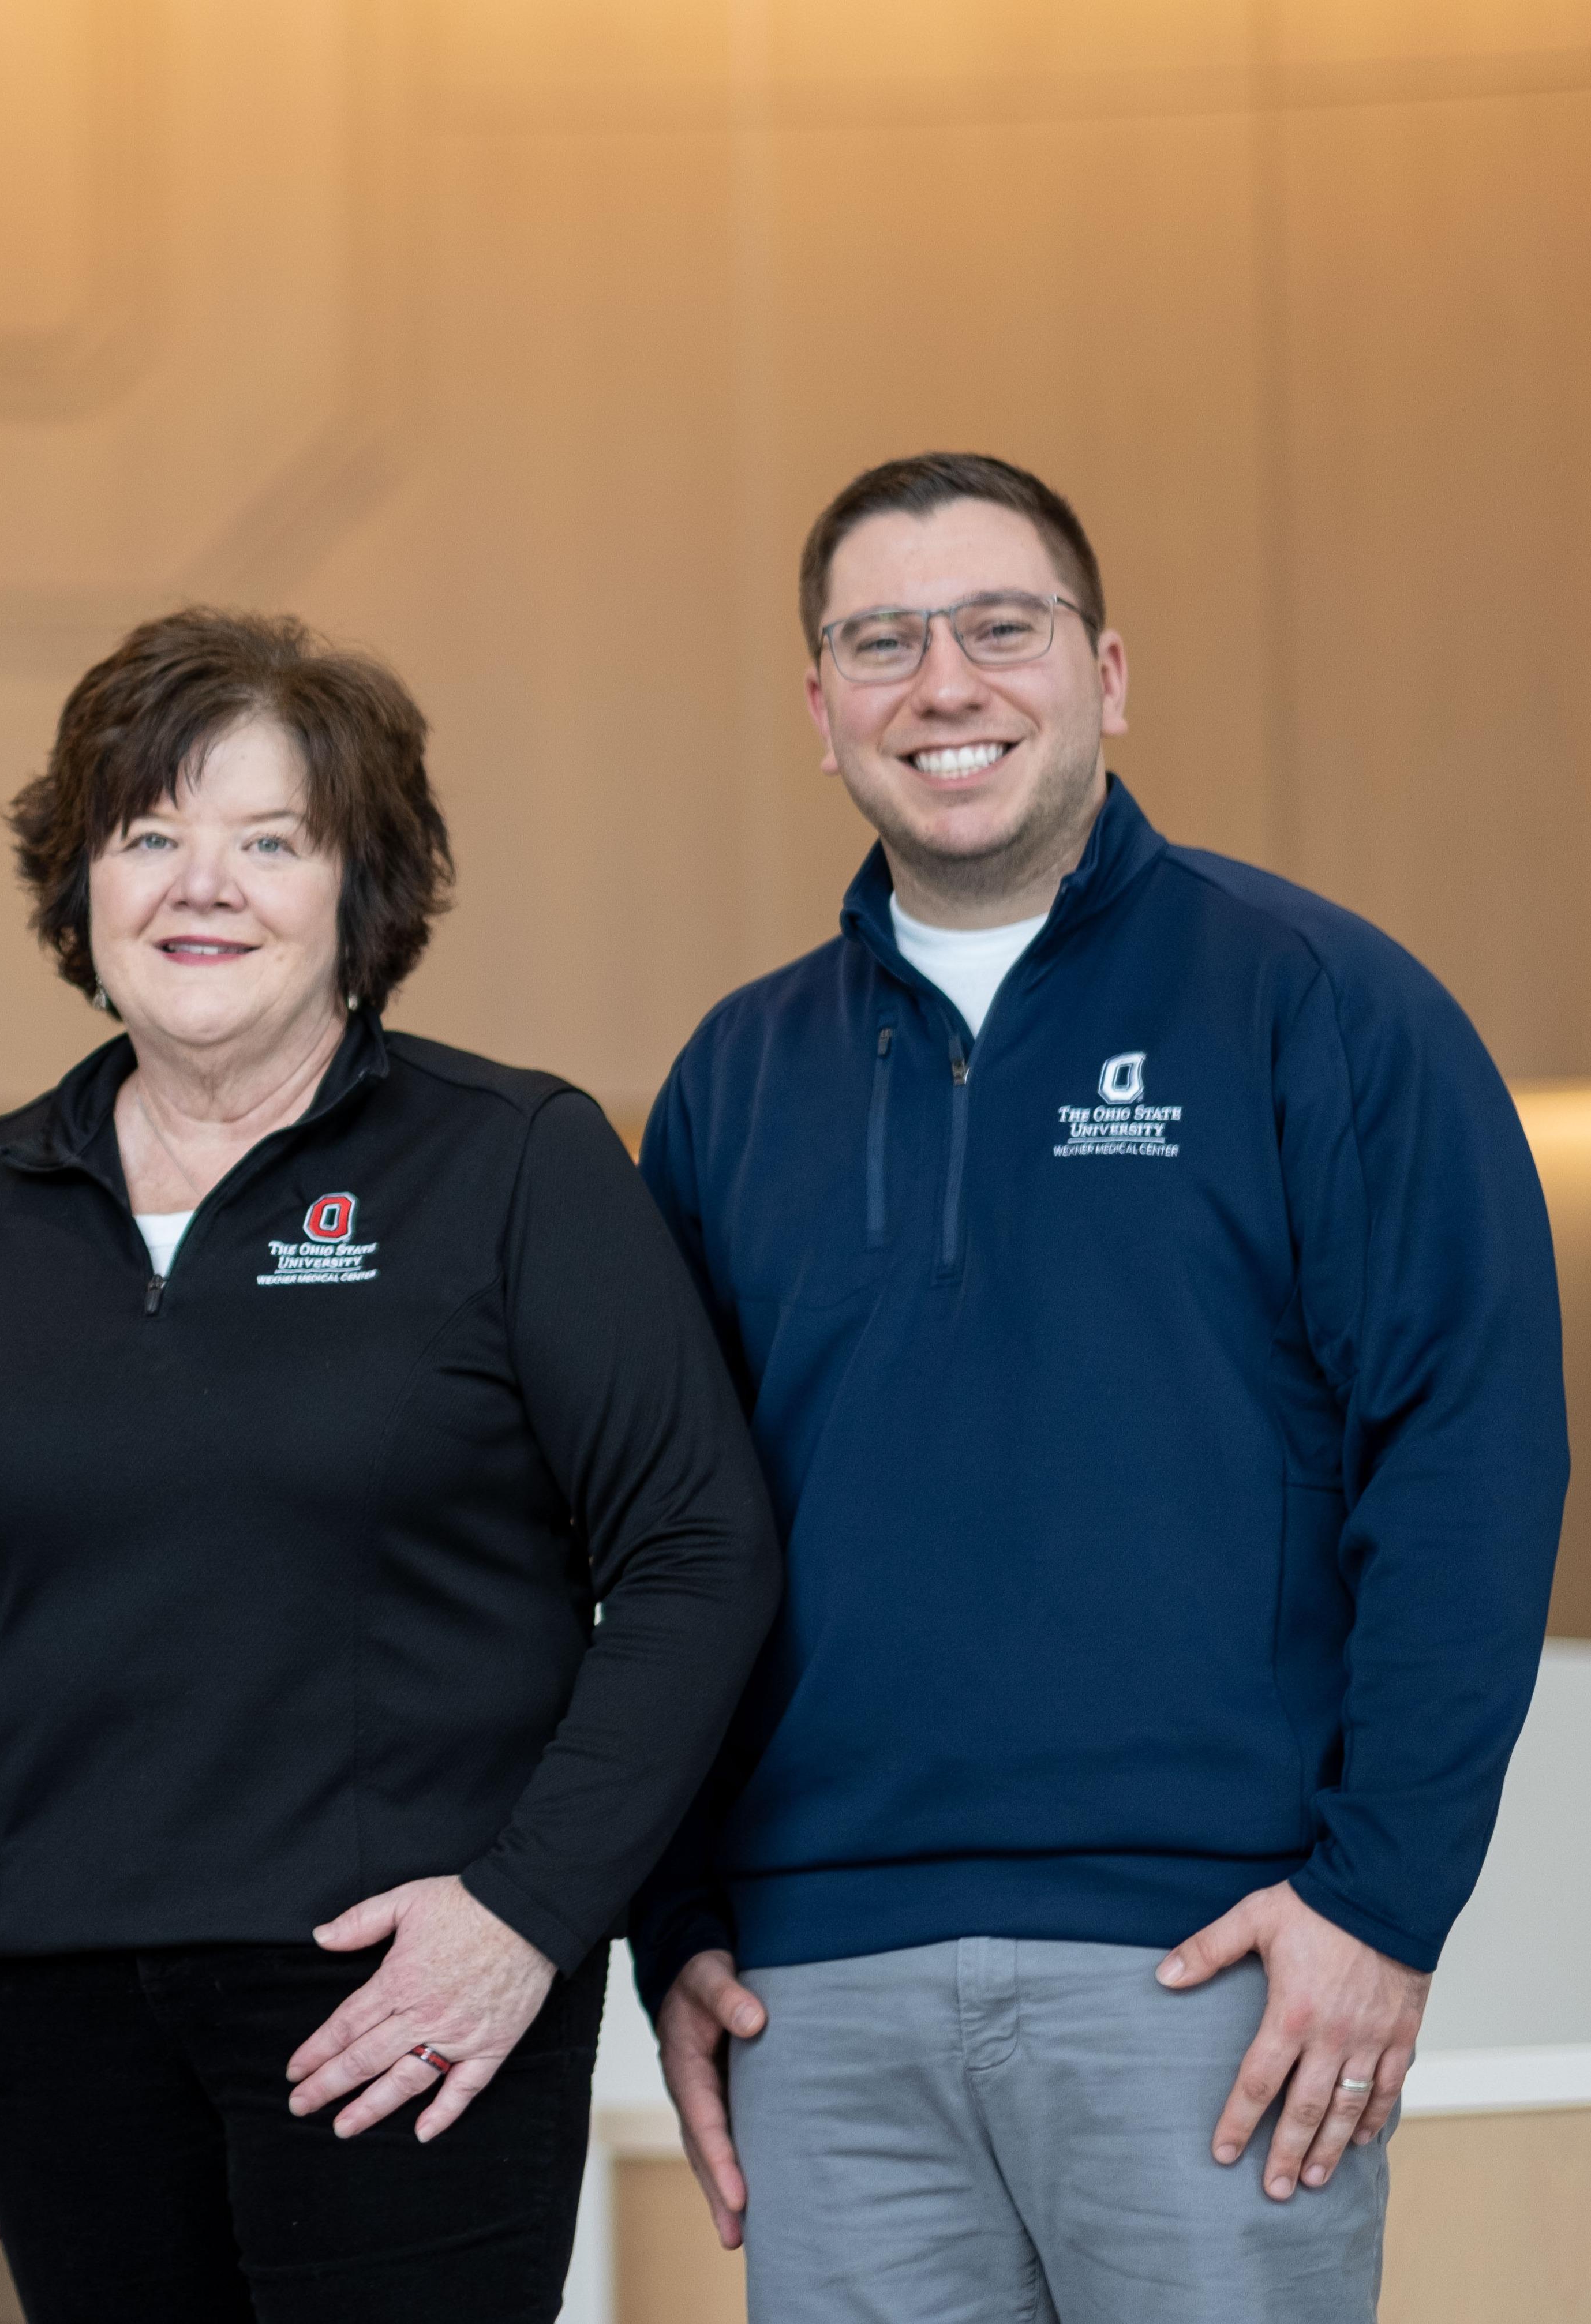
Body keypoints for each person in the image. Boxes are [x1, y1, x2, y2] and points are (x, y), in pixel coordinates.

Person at [631, 452, 1568, 2322]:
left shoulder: (1318, 1002)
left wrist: (1382, 1906)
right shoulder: (733, 1082)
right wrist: (677, 1919)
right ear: (818, 711)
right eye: (879, 642)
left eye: (1000, 626)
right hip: (822, 1988)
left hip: (1207, 1975)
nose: (943, 683)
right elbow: (659, 1543)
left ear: (1107, 672)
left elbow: (1467, 1457)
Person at [0, 608, 783, 2323]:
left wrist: (527, 1911)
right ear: (78, 887)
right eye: (147, 836)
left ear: (358, 893)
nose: (197, 885)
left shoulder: (511, 1162)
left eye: (267, 840)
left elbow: (694, 1551)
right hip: (46, 2010)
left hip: (400, 1996)